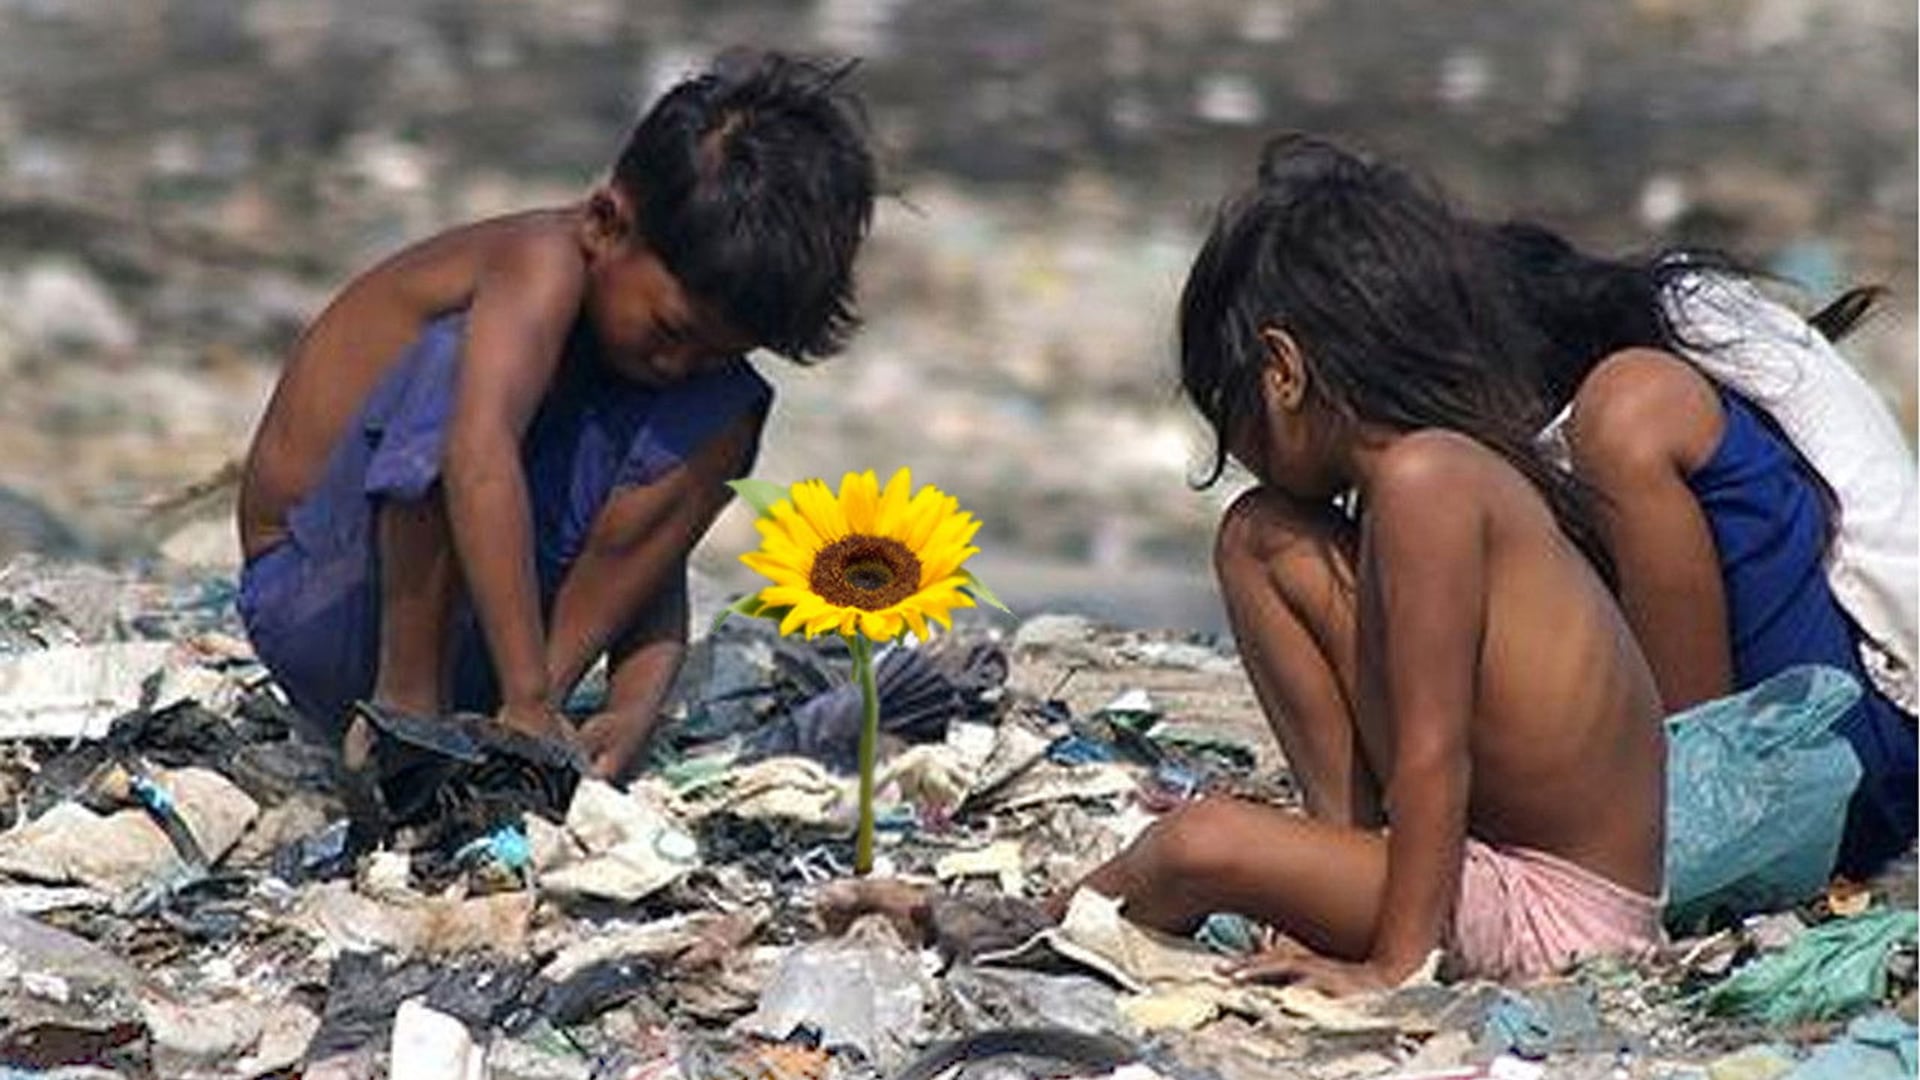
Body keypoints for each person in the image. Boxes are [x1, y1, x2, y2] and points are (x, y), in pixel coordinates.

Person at [829, 136, 1670, 992]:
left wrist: (1391, 968)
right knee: (1259, 538)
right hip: (1487, 869)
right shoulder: (1422, 477)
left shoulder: (1428, 483)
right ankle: (1334, 865)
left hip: (1558, 918)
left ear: (1282, 371)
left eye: (1228, 412)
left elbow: (1432, 755)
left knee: (1203, 844)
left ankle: (1034, 928)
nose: (1237, 451)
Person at [234, 50, 876, 790]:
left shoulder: (661, 357)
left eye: (709, 349)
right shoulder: (541, 259)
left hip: (486, 643)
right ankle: (407, 715)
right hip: (322, 598)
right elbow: (476, 456)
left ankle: (519, 737)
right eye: (671, 332)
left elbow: (650, 543)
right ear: (607, 223)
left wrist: (635, 702)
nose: (678, 364)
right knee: (453, 371)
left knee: (723, 408)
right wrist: (526, 690)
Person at [1491, 222, 1918, 879]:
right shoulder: (1697, 339)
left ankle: (1688, 816)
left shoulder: (1640, 398)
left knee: (1627, 412)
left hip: (1862, 745)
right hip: (1839, 735)